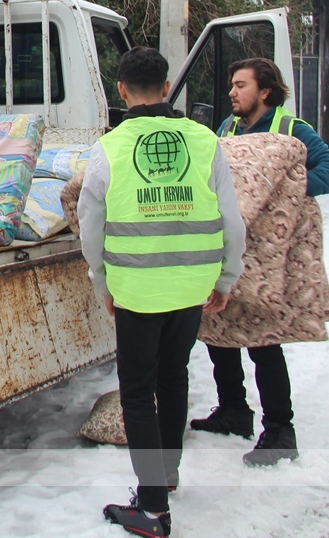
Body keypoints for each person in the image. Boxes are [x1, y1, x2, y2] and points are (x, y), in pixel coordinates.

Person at [80, 47, 246, 538]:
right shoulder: (204, 140)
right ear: (169, 88)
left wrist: (100, 280)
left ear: (122, 91)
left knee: (137, 389)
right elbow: (231, 218)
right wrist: (226, 278)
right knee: (174, 377)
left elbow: (92, 224)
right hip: (193, 284)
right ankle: (167, 475)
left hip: (137, 287)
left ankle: (151, 507)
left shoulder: (109, 147)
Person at [190, 56, 329, 466]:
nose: (232, 92)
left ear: (264, 91)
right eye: (232, 85)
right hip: (232, 246)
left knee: (263, 340)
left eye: (240, 85)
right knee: (218, 327)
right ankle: (233, 411)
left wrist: (287, 192)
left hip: (268, 258)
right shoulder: (226, 129)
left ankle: (280, 429)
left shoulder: (292, 130)